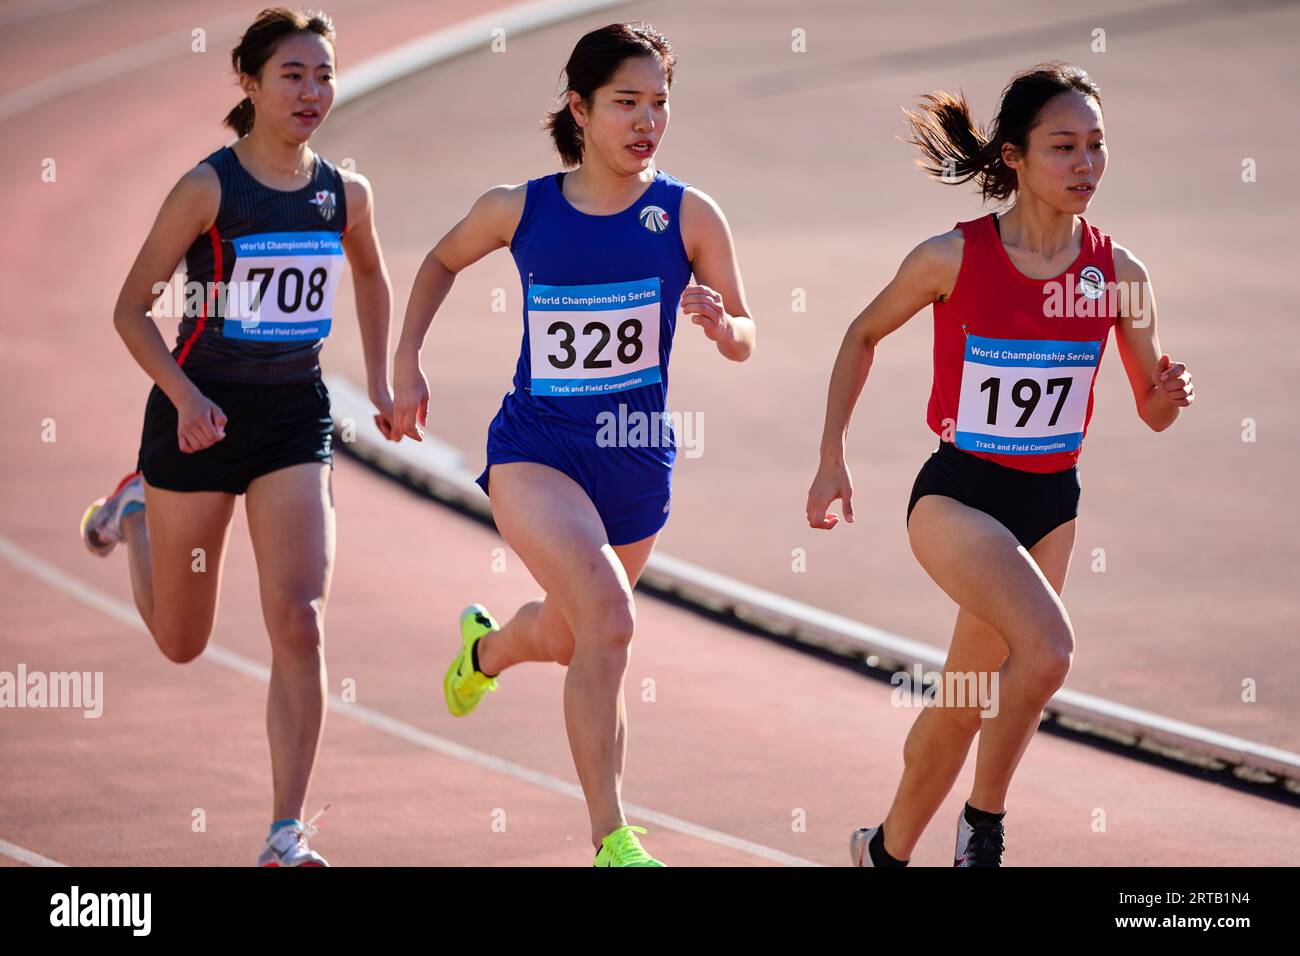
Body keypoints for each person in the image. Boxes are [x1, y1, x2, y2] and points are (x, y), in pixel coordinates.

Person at [806, 63, 1194, 867]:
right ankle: (983, 827)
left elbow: (1150, 413)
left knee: (962, 698)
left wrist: (1170, 395)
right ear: (1013, 157)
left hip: (1052, 503)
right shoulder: (953, 257)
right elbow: (861, 334)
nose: (1085, 164)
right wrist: (831, 457)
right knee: (1047, 652)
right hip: (959, 497)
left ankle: (884, 851)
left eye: (1096, 145)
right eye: (1063, 147)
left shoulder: (1121, 276)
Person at [391, 22, 756, 867]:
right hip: (537, 452)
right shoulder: (520, 208)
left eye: (659, 103)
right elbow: (441, 262)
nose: (646, 121)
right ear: (580, 109)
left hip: (636, 464)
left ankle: (484, 650)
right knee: (612, 620)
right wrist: (406, 361)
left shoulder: (689, 214)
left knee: (574, 634)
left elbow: (746, 331)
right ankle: (613, 839)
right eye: (626, 102)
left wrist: (721, 324)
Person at [80, 7, 397, 867]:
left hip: (295, 418)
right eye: (292, 75)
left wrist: (385, 378)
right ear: (250, 84)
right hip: (199, 418)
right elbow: (129, 309)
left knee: (300, 621)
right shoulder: (208, 189)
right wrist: (182, 397)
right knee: (183, 642)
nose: (311, 92)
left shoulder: (344, 191)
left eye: (323, 75)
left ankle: (284, 834)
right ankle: (137, 512)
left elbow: (370, 271)